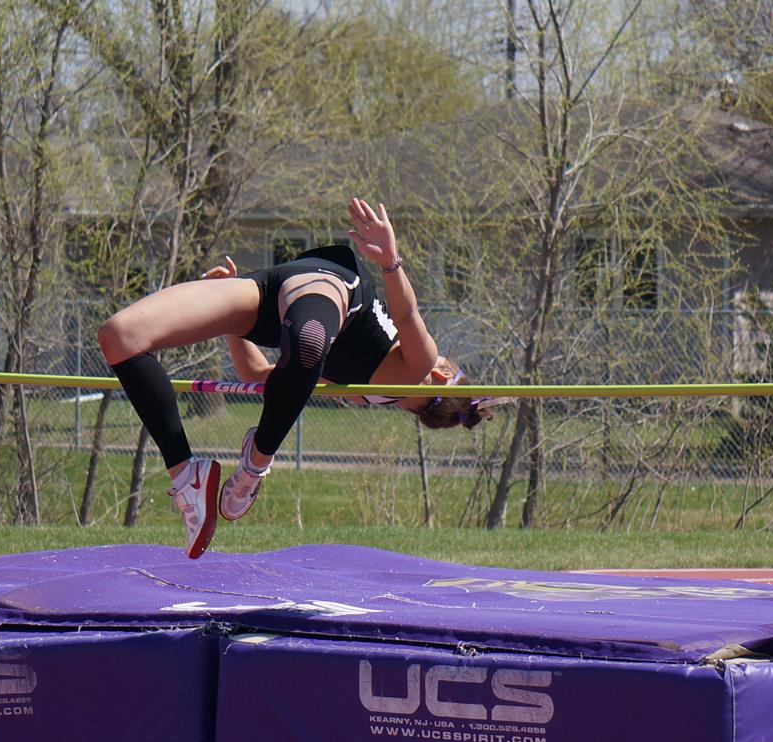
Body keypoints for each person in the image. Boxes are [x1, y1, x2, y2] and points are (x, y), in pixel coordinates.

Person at [98, 197, 488, 558]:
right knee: (119, 336)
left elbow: (260, 375)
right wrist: (388, 262)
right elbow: (403, 317)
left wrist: (391, 261)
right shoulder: (395, 378)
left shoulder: (399, 378)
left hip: (282, 305)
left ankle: (189, 476)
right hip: (311, 287)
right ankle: (252, 466)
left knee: (121, 337)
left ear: (442, 373)